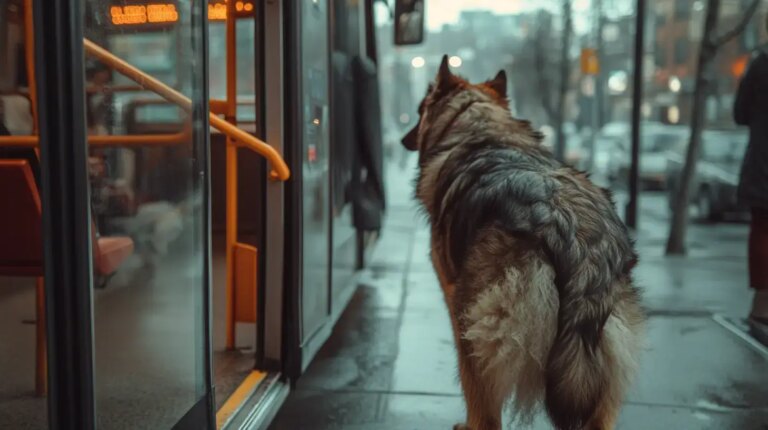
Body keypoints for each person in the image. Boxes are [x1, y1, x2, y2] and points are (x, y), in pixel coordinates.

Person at [733, 24, 768, 334]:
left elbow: (740, 114)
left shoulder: (760, 65)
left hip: (763, 163)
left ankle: (761, 307)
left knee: (762, 231)